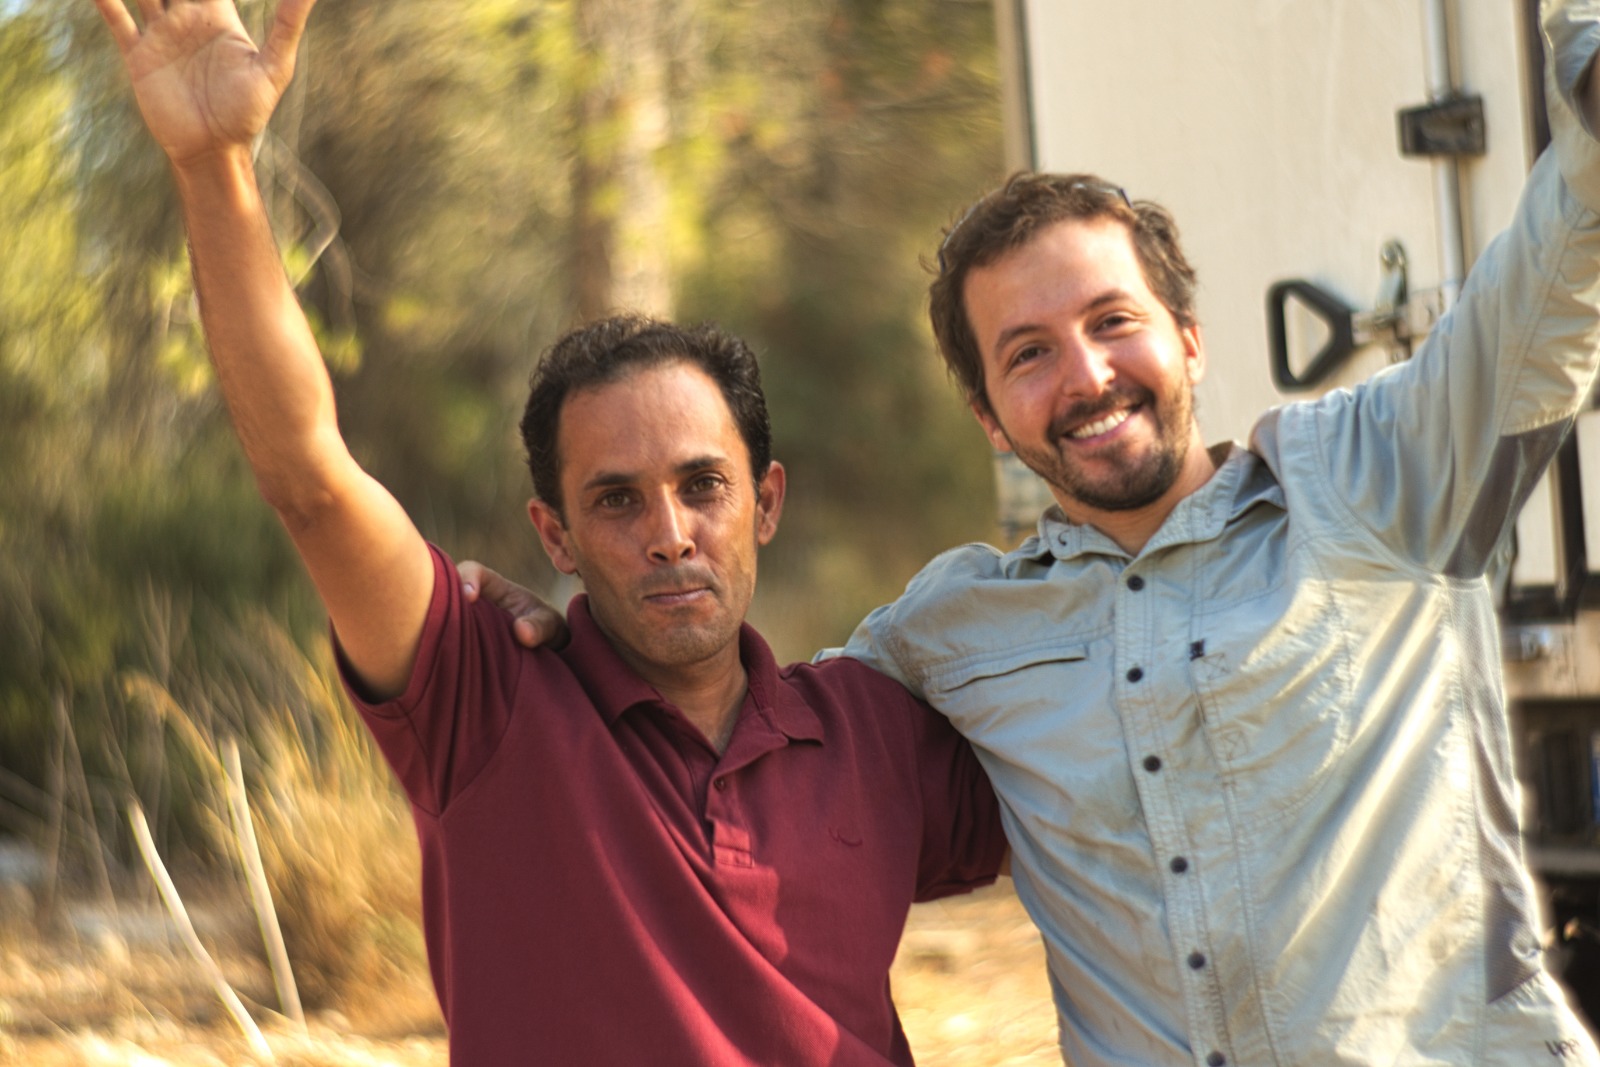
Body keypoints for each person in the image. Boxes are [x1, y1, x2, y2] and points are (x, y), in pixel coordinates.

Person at [476, 1, 1600, 1061]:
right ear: (988, 418)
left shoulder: (1373, 480)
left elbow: (1548, 289)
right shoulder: (952, 629)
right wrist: (546, 640)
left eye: (1114, 322)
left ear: (1191, 339)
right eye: (1027, 353)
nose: (1087, 375)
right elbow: (746, 729)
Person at [90, 1, 1007, 1063]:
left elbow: (1132, 790)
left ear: (765, 501)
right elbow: (309, 478)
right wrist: (216, 168)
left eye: (702, 484)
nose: (669, 533)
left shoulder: (873, 732)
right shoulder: (483, 701)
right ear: (555, 533)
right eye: (616, 499)